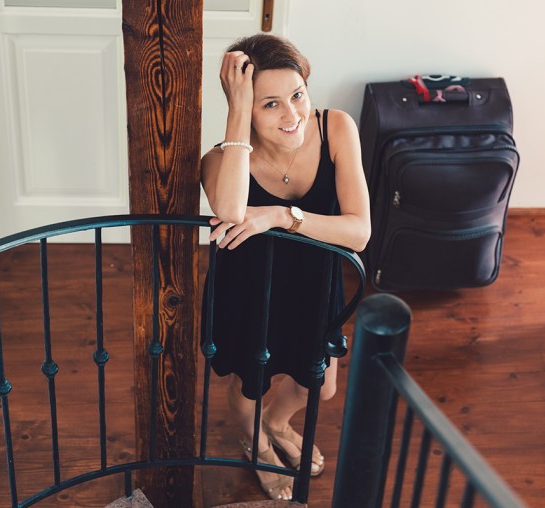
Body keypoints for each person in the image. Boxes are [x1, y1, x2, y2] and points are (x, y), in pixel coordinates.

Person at [200, 33, 371, 501]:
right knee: (250, 382)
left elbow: (359, 232)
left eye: (297, 95)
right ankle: (255, 445)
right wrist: (236, 110)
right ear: (245, 109)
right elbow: (233, 210)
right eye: (269, 104)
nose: (292, 115)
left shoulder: (336, 127)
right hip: (250, 287)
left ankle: (276, 423)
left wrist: (281, 216)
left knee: (321, 385)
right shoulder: (218, 161)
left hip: (316, 283)